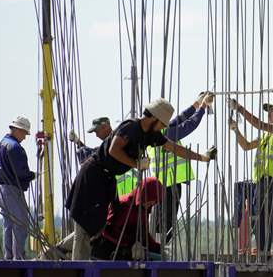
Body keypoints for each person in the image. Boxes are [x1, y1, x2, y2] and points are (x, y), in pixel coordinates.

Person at [65, 98, 217, 260]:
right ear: (154, 118)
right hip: (93, 175)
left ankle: (66, 254)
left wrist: (203, 158)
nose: (163, 128)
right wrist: (136, 164)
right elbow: (113, 150)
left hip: (107, 178)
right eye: (162, 124)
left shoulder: (150, 135)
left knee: (101, 224)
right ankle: (77, 266)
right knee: (86, 224)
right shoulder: (131, 127)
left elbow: (173, 147)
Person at [228, 99, 273, 262]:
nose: (270, 113)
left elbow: (259, 124)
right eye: (269, 110)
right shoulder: (265, 137)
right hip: (262, 185)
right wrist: (236, 130)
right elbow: (246, 145)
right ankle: (263, 257)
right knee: (260, 223)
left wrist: (241, 109)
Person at [152, 92, 214, 241]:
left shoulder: (158, 130)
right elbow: (188, 125)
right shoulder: (165, 133)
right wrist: (204, 106)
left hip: (163, 183)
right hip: (169, 183)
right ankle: (160, 248)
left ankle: (158, 245)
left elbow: (179, 119)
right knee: (165, 221)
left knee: (162, 220)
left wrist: (196, 104)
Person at [0, 116, 36, 260]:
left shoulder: (0, 145)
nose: (24, 137)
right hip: (12, 190)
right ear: (17, 129)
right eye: (24, 133)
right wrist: (32, 175)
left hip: (0, 189)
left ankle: (9, 256)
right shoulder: (15, 147)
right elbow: (21, 172)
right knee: (21, 223)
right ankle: (18, 258)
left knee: (8, 224)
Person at [92, 176, 165, 260]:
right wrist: (130, 243)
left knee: (156, 257)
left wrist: (157, 248)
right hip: (107, 251)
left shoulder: (142, 210)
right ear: (144, 194)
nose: (152, 203)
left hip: (126, 251)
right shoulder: (123, 204)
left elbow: (143, 235)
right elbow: (108, 230)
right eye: (151, 199)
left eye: (155, 201)